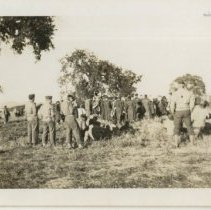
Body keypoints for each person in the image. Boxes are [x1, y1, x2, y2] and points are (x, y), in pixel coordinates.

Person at [170, 82, 195, 147]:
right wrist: (190, 111)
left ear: (178, 86)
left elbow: (172, 105)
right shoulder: (190, 93)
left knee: (176, 128)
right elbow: (192, 104)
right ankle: (192, 144)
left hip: (178, 111)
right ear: (184, 86)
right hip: (187, 110)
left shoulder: (174, 93)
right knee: (189, 127)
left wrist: (173, 112)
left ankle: (176, 144)